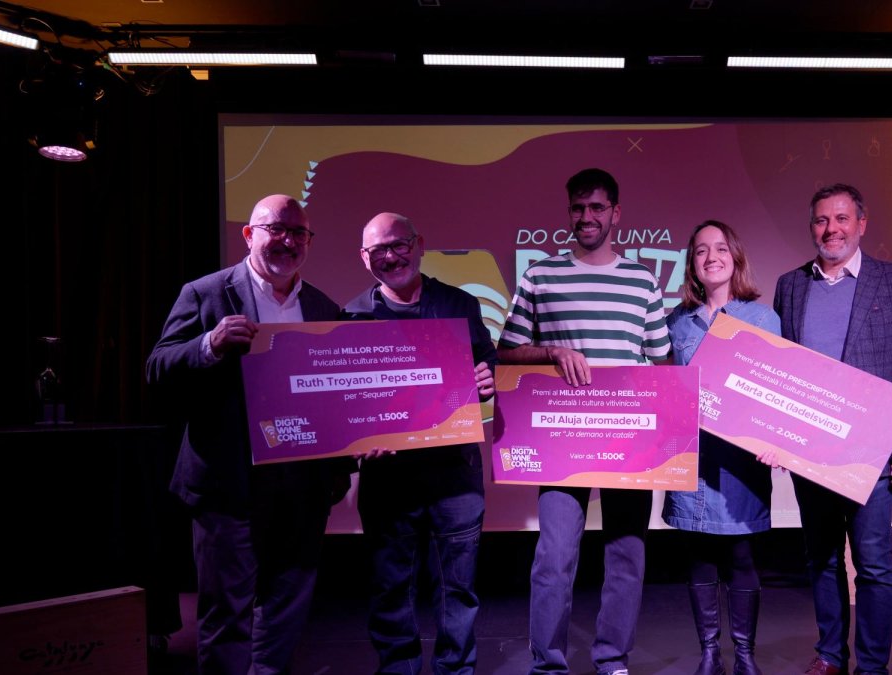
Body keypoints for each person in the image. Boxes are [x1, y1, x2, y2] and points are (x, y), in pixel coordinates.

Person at [146, 194, 354, 675]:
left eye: (299, 232)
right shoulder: (205, 293)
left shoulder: (322, 306)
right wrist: (209, 344)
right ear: (249, 234)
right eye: (276, 229)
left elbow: (338, 394)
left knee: (287, 605)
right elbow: (157, 367)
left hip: (302, 485)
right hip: (228, 482)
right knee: (225, 611)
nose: (288, 241)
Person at [498, 168, 670, 675]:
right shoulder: (540, 275)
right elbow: (505, 352)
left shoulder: (642, 280)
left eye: (597, 208)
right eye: (578, 207)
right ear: (568, 211)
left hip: (626, 437)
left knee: (627, 554)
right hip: (560, 438)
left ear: (616, 213)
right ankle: (548, 663)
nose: (586, 217)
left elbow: (661, 366)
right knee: (553, 558)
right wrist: (551, 351)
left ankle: (612, 658)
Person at [773, 184, 892, 675]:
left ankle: (872, 666)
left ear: (861, 224)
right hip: (810, 451)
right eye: (822, 220)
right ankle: (829, 654)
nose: (831, 229)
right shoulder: (791, 284)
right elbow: (781, 370)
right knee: (820, 560)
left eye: (841, 218)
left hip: (875, 451)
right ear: (812, 227)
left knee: (875, 566)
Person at [340, 212, 497, 675]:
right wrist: (357, 436)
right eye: (378, 250)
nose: (391, 256)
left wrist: (486, 379)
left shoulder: (459, 305)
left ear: (419, 243)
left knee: (458, 587)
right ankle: (399, 669)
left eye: (399, 244)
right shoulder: (350, 316)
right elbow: (347, 399)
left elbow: (485, 365)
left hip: (454, 474)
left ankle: (456, 670)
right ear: (363, 257)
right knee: (391, 588)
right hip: (388, 478)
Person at [661, 221, 781, 675]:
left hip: (740, 463)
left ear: (735, 256)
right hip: (692, 460)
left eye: (719, 248)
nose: (711, 257)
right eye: (700, 251)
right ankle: (710, 653)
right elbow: (666, 390)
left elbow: (778, 392)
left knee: (741, 554)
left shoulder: (762, 319)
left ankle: (744, 654)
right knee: (699, 555)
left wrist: (777, 440)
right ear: (691, 263)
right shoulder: (676, 323)